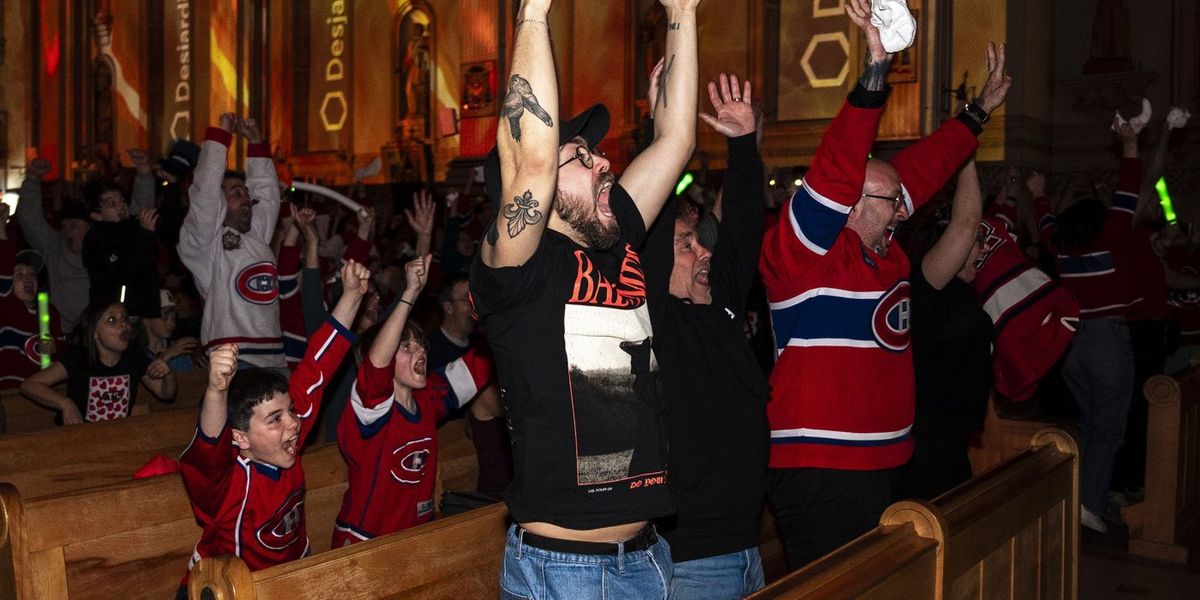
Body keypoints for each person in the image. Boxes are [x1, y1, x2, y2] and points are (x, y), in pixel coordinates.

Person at [759, 0, 1011, 569]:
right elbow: (837, 167)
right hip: (821, 466)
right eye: (889, 198)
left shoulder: (889, 251)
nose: (903, 204)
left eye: (900, 199)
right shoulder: (805, 252)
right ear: (846, 204)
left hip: (884, 460)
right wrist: (874, 74)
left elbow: (922, 168)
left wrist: (977, 113)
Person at [469, 0, 698, 596]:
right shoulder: (516, 269)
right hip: (564, 570)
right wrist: (536, 12)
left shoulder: (615, 236)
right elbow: (533, 159)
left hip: (648, 558)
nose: (604, 161)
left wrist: (682, 12)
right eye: (583, 155)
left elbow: (676, 139)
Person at [642, 73, 770, 598]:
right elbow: (643, 227)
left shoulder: (719, 300)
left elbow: (742, 226)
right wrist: (659, 135)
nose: (704, 252)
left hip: (748, 546)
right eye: (687, 244)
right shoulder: (656, 321)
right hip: (691, 558)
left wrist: (742, 144)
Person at [175, 259, 369, 598]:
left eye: (290, 411)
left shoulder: (287, 439)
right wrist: (216, 390)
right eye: (275, 419)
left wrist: (352, 295)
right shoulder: (226, 482)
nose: (294, 423)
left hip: (285, 582)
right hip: (219, 590)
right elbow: (208, 447)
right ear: (240, 438)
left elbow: (317, 367)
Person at [332, 256, 494, 546]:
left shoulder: (428, 398)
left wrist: (503, 317)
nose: (419, 350)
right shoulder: (370, 408)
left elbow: (476, 367)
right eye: (405, 346)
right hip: (365, 544)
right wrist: (409, 294)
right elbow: (377, 365)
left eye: (420, 344)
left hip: (416, 537)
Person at [1031, 121, 1144, 533]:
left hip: (1073, 345)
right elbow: (1129, 193)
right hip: (1108, 343)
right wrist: (1130, 144)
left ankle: (1080, 499)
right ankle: (1090, 505)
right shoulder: (1111, 236)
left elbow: (1045, 223)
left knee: (1090, 426)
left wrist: (1040, 192)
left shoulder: (1060, 247)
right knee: (1109, 429)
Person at [897, 160, 994, 500]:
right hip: (926, 443)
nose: (981, 249)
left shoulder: (959, 292)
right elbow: (966, 223)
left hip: (952, 439)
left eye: (983, 242)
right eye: (976, 242)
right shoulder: (927, 283)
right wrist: (966, 152)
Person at [178, 113, 285, 369]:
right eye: (236, 192)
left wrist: (257, 143)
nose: (247, 198)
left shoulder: (256, 237)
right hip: (235, 360)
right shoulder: (206, 245)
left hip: (274, 358)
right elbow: (204, 192)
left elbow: (267, 196)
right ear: (219, 203)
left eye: (246, 193)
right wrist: (219, 138)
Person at [21, 300, 175, 424]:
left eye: (125, 318)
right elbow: (30, 385)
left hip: (119, 438)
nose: (123, 324)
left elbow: (165, 393)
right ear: (94, 333)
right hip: (79, 439)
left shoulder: (135, 358)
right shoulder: (78, 358)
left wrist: (168, 374)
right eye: (112, 320)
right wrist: (66, 404)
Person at [16, 159, 91, 333]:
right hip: (61, 333)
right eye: (64, 226)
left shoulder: (104, 250)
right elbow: (30, 218)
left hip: (98, 335)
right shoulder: (54, 245)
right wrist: (33, 178)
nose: (67, 232)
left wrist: (144, 175)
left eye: (73, 226)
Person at [81, 180, 161, 318]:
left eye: (122, 201)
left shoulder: (134, 228)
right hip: (118, 316)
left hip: (144, 315)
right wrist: (145, 235)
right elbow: (124, 273)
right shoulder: (96, 240)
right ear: (96, 214)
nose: (121, 206)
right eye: (111, 203)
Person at [141, 289, 199, 373]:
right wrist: (166, 355)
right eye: (164, 318)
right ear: (146, 320)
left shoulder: (179, 351)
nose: (170, 323)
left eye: (173, 318)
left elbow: (190, 381)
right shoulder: (136, 353)